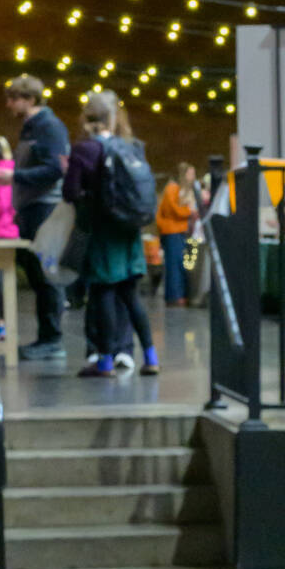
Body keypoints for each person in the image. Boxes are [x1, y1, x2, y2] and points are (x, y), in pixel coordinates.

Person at [63, 89, 156, 377]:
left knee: (102, 294)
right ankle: (151, 357)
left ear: (86, 118)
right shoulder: (130, 147)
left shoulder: (85, 150)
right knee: (131, 297)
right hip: (130, 233)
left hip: (103, 233)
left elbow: (70, 192)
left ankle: (104, 361)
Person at [6, 71, 73, 360]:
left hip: (44, 208)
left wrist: (14, 175)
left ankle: (52, 339)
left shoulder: (48, 126)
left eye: (13, 98)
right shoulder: (31, 127)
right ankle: (46, 336)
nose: (8, 105)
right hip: (30, 208)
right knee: (35, 273)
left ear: (29, 99)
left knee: (46, 274)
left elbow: (56, 169)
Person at [156, 162, 200, 307]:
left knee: (179, 264)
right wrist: (190, 211)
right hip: (171, 231)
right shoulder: (171, 188)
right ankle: (174, 296)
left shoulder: (180, 190)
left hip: (179, 231)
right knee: (174, 266)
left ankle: (179, 294)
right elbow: (173, 210)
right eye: (190, 173)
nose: (192, 177)